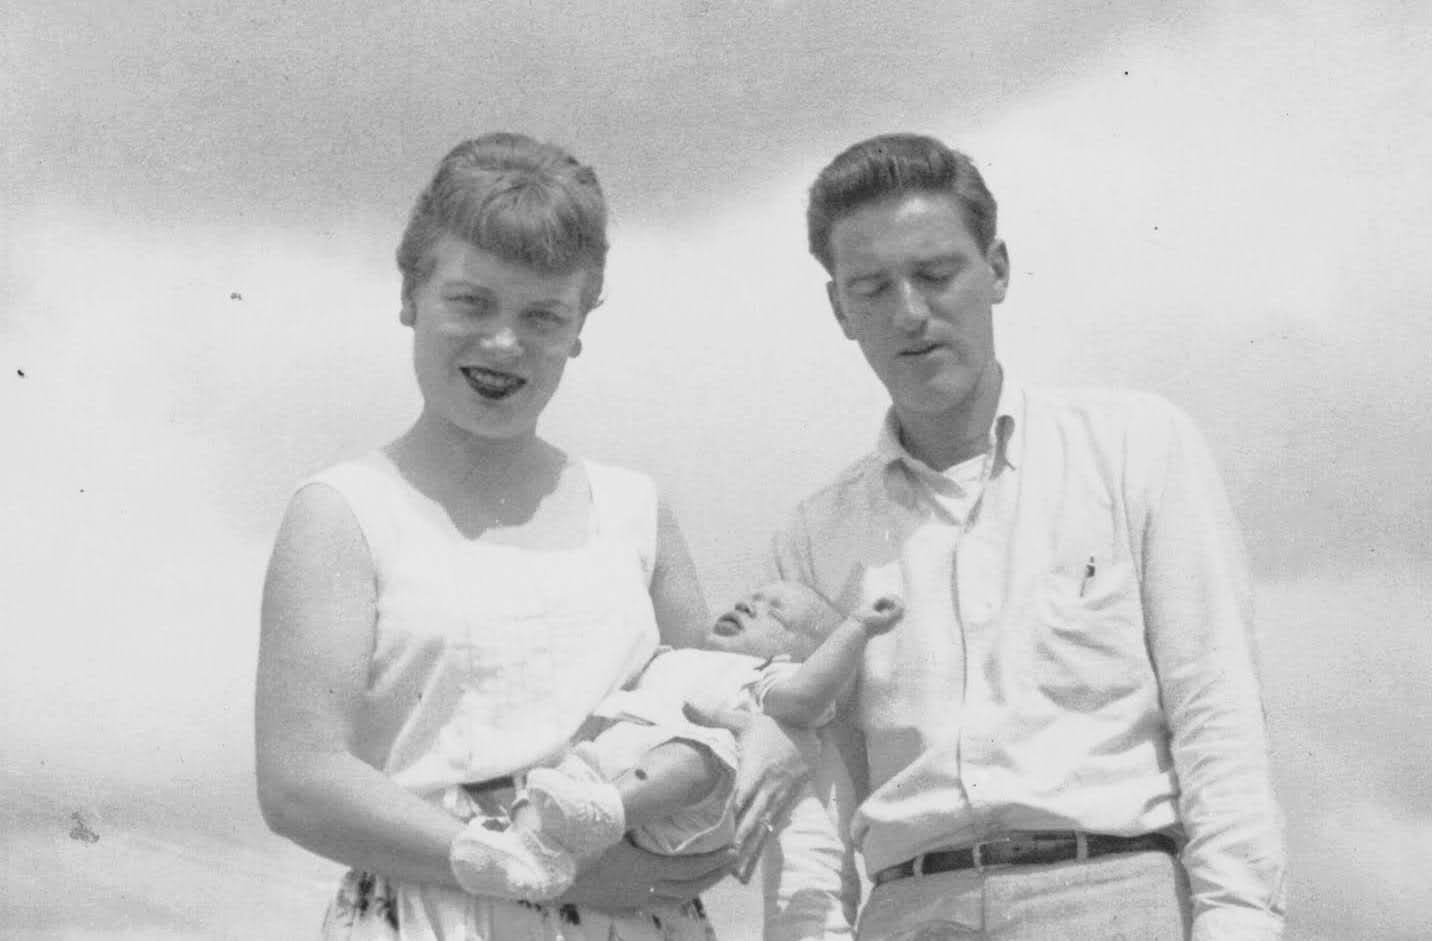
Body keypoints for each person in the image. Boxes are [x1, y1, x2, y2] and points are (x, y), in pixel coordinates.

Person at [254, 132, 790, 940]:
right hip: (428, 910)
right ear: (410, 294)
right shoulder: (343, 511)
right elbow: (299, 780)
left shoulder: (636, 510)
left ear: (580, 326)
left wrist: (659, 858)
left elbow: (715, 730)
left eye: (543, 314)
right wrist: (509, 858)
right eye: (471, 301)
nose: (504, 342)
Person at [769, 133, 1287, 940]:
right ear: (839, 307)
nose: (909, 312)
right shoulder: (815, 534)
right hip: (908, 908)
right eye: (871, 287)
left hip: (1114, 894)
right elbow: (812, 792)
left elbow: (1217, 713)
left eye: (936, 274)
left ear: (998, 269)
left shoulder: (1137, 447)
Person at [444, 582, 902, 901]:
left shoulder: (761, 677)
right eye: (750, 598)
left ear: (797, 656)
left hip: (679, 806)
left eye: (775, 612)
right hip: (602, 778)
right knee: (551, 775)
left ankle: (604, 812)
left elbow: (806, 698)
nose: (750, 605)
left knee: (701, 752)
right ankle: (524, 848)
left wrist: (857, 629)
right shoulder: (671, 660)